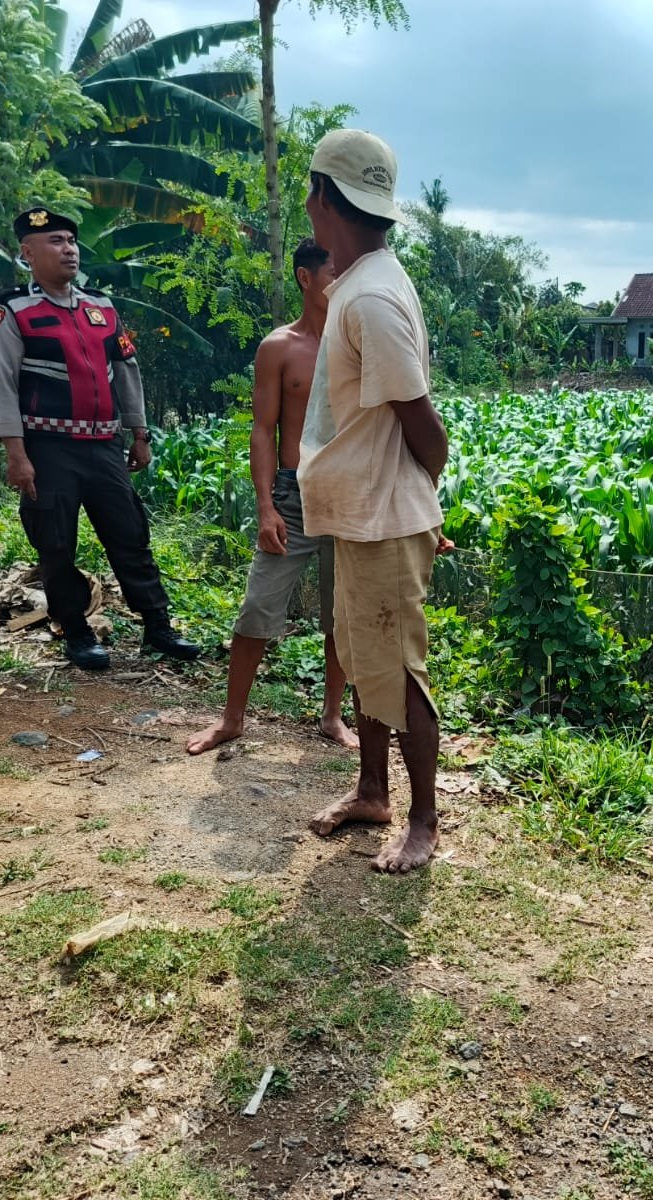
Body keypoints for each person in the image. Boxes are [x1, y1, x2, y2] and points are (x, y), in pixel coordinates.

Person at [296, 129, 450, 875]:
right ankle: (371, 791)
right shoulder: (358, 285)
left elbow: (425, 425)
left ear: (324, 196)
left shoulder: (375, 299)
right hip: (362, 515)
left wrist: (421, 500)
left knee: (398, 668)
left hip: (385, 518)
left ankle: (421, 820)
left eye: (308, 189)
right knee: (363, 657)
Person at [0, 207, 199, 670]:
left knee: (130, 534)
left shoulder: (102, 307)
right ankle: (77, 633)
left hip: (103, 446)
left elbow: (126, 370)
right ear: (27, 252)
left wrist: (139, 432)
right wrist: (15, 453)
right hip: (47, 447)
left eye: (71, 241)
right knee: (56, 542)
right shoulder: (13, 310)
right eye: (56, 241)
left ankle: (158, 626)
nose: (69, 250)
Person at [186, 239, 359, 755]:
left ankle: (332, 714)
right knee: (258, 608)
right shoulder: (279, 347)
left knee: (342, 615)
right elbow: (263, 430)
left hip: (349, 496)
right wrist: (264, 505)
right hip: (292, 496)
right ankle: (231, 719)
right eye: (333, 271)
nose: (342, 281)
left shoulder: (358, 343)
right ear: (306, 278)